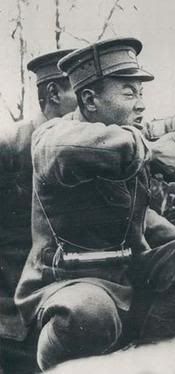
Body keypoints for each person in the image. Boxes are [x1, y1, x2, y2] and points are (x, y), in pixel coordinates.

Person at [14, 37, 175, 371]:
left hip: (124, 274)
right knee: (90, 311)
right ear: (90, 99)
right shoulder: (56, 135)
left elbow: (144, 216)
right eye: (129, 93)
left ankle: (145, 360)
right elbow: (60, 149)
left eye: (141, 93)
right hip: (69, 283)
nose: (141, 105)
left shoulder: (126, 132)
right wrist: (149, 152)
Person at [0, 49, 77, 373]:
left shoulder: (89, 147)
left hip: (70, 311)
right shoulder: (10, 146)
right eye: (82, 90)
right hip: (15, 319)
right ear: (53, 93)